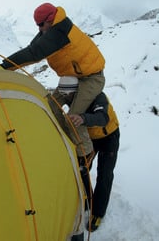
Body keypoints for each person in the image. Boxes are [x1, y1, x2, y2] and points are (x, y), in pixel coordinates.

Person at [0, 2, 106, 157]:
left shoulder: (60, 31)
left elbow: (34, 53)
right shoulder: (50, 29)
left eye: (41, 24)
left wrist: (3, 67)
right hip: (73, 77)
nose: (39, 29)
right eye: (37, 25)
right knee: (51, 106)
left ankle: (85, 153)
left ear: (50, 20)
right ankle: (66, 141)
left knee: (73, 118)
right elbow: (33, 46)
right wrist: (6, 65)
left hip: (92, 78)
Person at [68, 90, 120, 233]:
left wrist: (83, 118)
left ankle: (97, 213)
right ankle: (87, 200)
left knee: (105, 174)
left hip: (109, 137)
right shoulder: (72, 97)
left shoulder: (97, 96)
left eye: (71, 94)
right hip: (90, 139)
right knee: (82, 168)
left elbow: (103, 117)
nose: (69, 97)